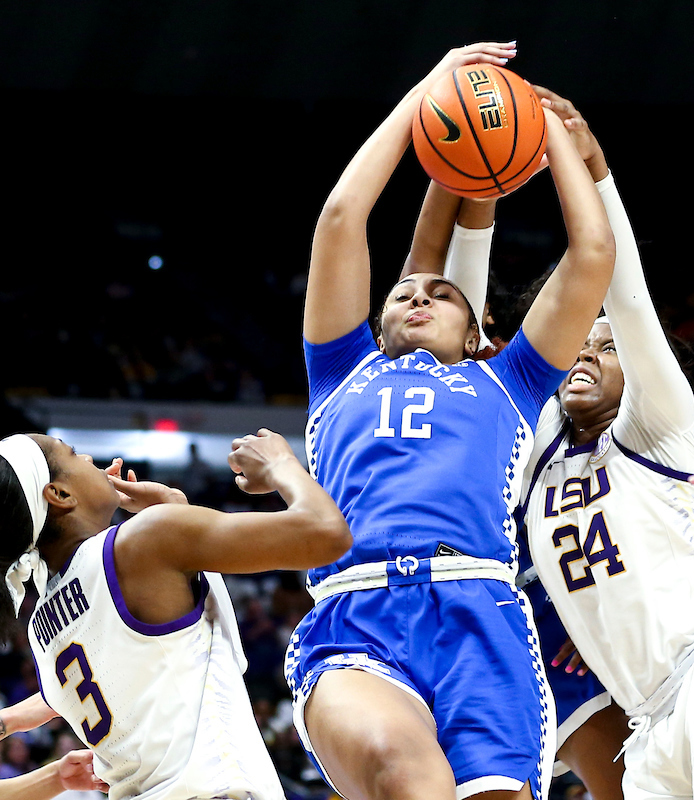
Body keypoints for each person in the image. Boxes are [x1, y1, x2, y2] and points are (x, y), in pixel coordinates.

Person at [443, 88, 694, 800]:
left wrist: (595, 173)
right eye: (577, 345)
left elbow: (626, 298)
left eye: (606, 347)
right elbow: (459, 332)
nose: (586, 353)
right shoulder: (536, 460)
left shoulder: (656, 429)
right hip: (652, 727)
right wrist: (476, 196)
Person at [289, 42, 615, 800]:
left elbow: (591, 254)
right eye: (405, 293)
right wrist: (428, 92)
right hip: (358, 607)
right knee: (407, 775)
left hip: (481, 611)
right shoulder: (342, 371)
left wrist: (551, 134)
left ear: (477, 336)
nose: (419, 294)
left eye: (443, 294)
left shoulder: (510, 381)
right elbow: (342, 217)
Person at [0, 429, 351, 800]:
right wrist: (281, 462)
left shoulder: (41, 626)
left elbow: (148, 669)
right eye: (73, 453)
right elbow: (327, 534)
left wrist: (173, 508)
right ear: (59, 495)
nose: (88, 459)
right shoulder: (142, 542)